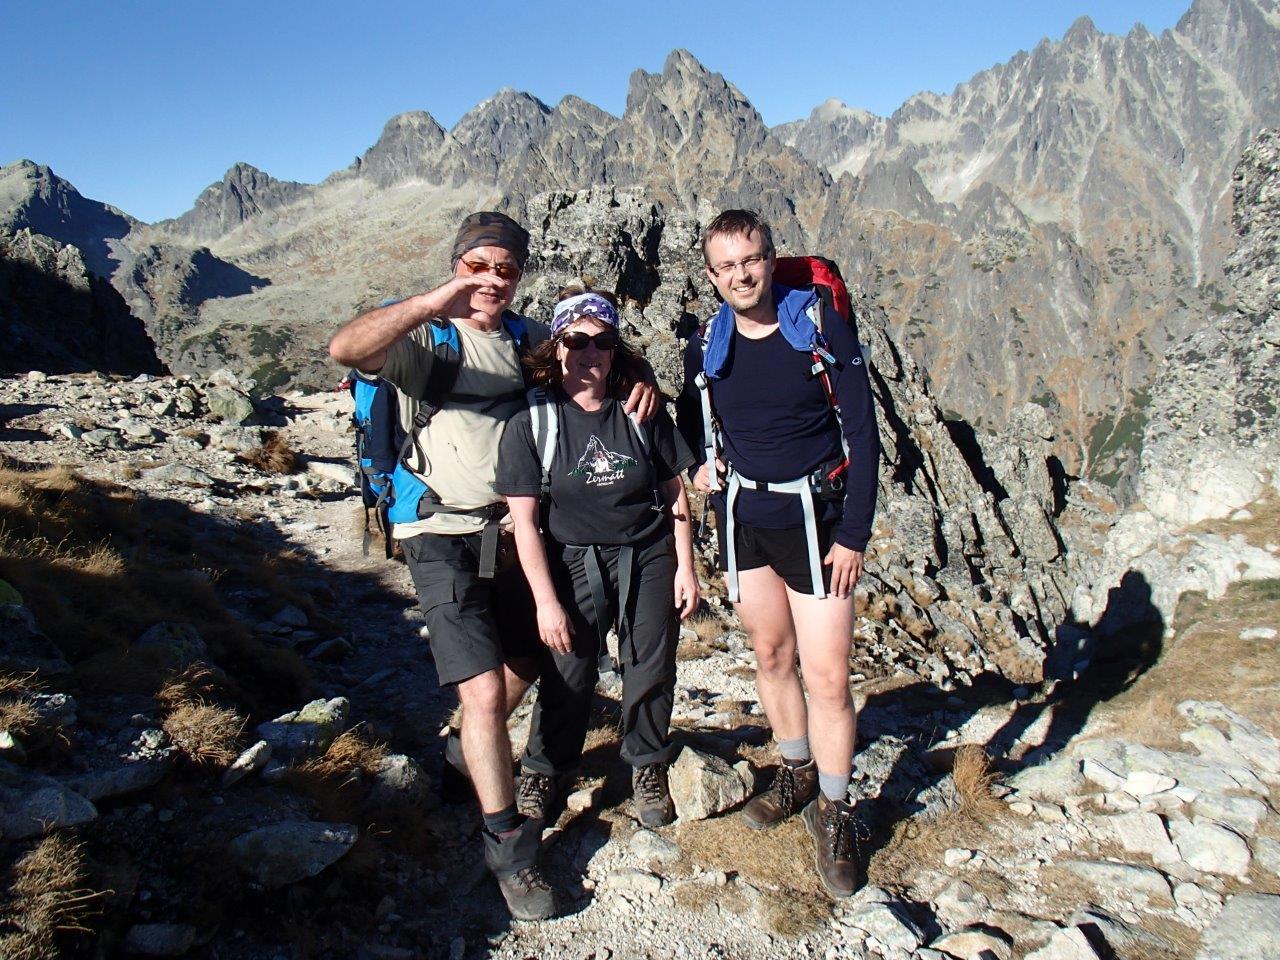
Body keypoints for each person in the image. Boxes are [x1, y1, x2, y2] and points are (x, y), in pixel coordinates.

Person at [327, 212, 658, 921]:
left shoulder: (529, 338)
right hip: (439, 532)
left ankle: (456, 757)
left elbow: (594, 353)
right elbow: (345, 348)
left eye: (505, 268)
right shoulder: (426, 343)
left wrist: (643, 378)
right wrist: (427, 302)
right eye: (477, 265)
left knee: (529, 660)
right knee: (482, 694)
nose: (491, 279)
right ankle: (509, 848)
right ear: (458, 267)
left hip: (511, 530)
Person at [676, 209, 878, 897]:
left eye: (752, 259)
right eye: (727, 266)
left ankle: (837, 806)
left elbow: (865, 435)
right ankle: (795, 770)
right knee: (770, 656)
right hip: (747, 521)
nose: (742, 275)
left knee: (827, 675)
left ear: (770, 257)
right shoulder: (711, 342)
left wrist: (854, 533)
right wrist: (701, 467)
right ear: (711, 276)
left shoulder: (818, 327)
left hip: (817, 521)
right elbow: (690, 416)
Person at [497, 287, 699, 830]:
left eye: (603, 341)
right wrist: (545, 602)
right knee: (569, 668)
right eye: (577, 340)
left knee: (651, 664)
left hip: (648, 553)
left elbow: (674, 490)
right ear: (558, 347)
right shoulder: (531, 425)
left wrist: (687, 566)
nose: (591, 351)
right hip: (571, 560)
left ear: (615, 349)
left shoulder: (641, 411)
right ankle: (545, 769)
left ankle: (647, 763)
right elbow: (524, 522)